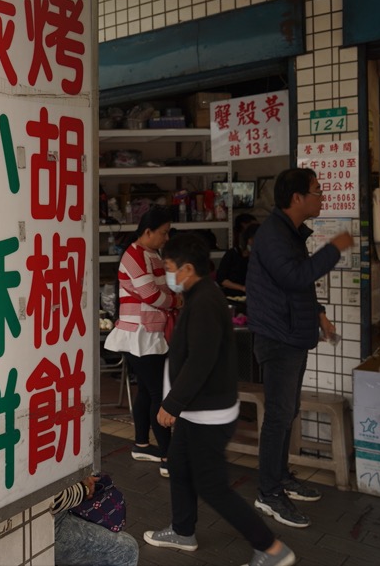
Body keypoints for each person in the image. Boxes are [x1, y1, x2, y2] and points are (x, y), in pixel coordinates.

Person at [144, 233, 295, 566]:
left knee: (212, 485)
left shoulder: (206, 302)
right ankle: (183, 531)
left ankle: (271, 548)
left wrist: (171, 404)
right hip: (195, 412)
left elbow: (201, 361)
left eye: (169, 268)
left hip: (207, 414)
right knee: (179, 467)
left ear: (186, 269)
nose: (167, 275)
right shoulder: (199, 295)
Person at [245, 168, 353, 528]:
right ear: (296, 199)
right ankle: (268, 493)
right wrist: (333, 250)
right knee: (278, 415)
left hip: (291, 333)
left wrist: (319, 313)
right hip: (278, 338)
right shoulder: (273, 234)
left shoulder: (289, 233)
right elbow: (295, 276)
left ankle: (280, 478)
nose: (321, 196)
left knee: (286, 410)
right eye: (317, 191)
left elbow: (296, 282)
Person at [103, 207, 177, 474]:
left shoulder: (149, 253)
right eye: (163, 233)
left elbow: (160, 290)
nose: (166, 238)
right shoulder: (134, 255)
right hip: (141, 335)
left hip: (148, 334)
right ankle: (168, 458)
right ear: (148, 231)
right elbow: (152, 295)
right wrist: (177, 301)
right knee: (159, 393)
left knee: (148, 391)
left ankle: (142, 445)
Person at [51, 475, 139, 566]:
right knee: (126, 549)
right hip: (48, 527)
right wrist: (84, 489)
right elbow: (53, 502)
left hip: (52, 518)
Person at [216, 221, 259, 297]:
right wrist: (242, 288)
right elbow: (221, 279)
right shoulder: (232, 254)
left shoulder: (259, 258)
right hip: (232, 296)